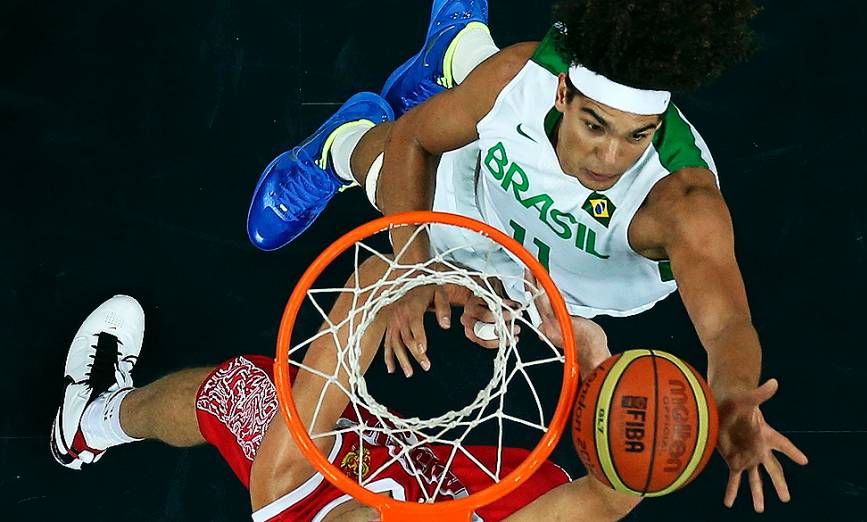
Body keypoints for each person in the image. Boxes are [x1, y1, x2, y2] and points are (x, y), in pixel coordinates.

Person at [245, 0, 807, 512]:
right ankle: (339, 142)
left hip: (566, 285)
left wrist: (732, 393)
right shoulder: (523, 79)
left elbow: (727, 324)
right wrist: (411, 269)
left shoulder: (683, 203)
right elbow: (412, 142)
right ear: (563, 94)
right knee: (383, 163)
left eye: (637, 136)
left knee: (491, 323)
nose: (609, 158)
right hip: (484, 207)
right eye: (594, 126)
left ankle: (457, 47)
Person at [51, 260, 646, 521]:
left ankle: (87, 421)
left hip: (317, 484)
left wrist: (410, 279)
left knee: (234, 388)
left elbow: (363, 289)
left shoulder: (288, 483)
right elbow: (616, 492)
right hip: (428, 477)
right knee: (552, 486)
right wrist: (595, 361)